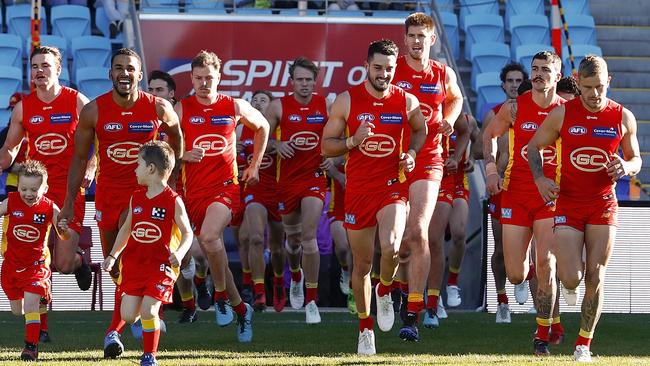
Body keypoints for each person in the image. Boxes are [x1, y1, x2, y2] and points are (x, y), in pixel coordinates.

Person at [61, 48, 183, 359]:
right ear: (110, 73)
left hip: (145, 199)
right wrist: (69, 203)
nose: (124, 74)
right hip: (107, 198)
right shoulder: (93, 111)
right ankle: (136, 314)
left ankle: (124, 327)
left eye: (130, 68)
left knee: (139, 259)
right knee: (115, 267)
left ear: (140, 75)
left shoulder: (159, 108)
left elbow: (176, 136)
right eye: (119, 68)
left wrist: (172, 176)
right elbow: (78, 158)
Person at [527, 55, 641, 362]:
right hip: (568, 203)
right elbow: (533, 147)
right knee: (572, 277)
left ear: (609, 82)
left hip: (603, 203)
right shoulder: (562, 114)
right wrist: (540, 179)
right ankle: (570, 283)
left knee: (596, 274)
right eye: (588, 87)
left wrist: (626, 167)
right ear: (577, 84)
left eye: (600, 87)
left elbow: (636, 159)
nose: (594, 94)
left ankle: (583, 345)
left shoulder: (622, 116)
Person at [321, 39, 427, 355]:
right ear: (366, 66)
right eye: (378, 67)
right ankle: (365, 329)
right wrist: (353, 140)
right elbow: (327, 146)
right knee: (362, 264)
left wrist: (410, 152)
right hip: (357, 192)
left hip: (392, 186)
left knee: (394, 245)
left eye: (389, 69)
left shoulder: (406, 101)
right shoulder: (346, 101)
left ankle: (385, 289)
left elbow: (420, 130)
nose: (384, 74)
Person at [175, 50, 269, 342]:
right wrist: (181, 155)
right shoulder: (181, 109)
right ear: (191, 78)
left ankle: (219, 296)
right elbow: (160, 147)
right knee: (213, 254)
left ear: (219, 77)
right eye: (199, 78)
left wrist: (253, 165)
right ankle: (242, 310)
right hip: (193, 194)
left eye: (210, 78)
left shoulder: (233, 106)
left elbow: (263, 126)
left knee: (210, 238)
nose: (205, 83)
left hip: (226, 188)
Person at [482, 51, 566, 356]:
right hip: (515, 194)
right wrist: (491, 170)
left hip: (549, 198)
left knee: (547, 263)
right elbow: (489, 136)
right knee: (516, 272)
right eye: (535, 69)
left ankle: (542, 333)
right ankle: (534, 285)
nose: (539, 74)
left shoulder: (566, 111)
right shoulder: (515, 107)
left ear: (558, 76)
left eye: (546, 69)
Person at [391, 12, 462, 340]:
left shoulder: (442, 72)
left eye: (423, 36)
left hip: (430, 160)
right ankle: (398, 291)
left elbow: (457, 98)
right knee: (396, 241)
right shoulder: (393, 71)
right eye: (412, 36)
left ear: (432, 40)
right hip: (394, 161)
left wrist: (449, 117)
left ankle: (413, 312)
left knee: (419, 232)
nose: (417, 41)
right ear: (404, 39)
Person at [0, 46, 94, 291]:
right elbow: (9, 148)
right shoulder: (23, 107)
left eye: (46, 65)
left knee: (63, 264)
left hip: (70, 192)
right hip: (35, 193)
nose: (39, 70)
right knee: (29, 258)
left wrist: (92, 167)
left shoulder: (76, 101)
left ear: (59, 69)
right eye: (35, 66)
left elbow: (100, 138)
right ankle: (37, 320)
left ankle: (79, 262)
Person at [102, 141, 193, 366]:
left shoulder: (173, 200)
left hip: (161, 267)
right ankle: (128, 330)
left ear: (151, 168)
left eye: (138, 164)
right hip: (135, 265)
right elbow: (126, 229)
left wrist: (179, 254)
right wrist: (113, 255)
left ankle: (149, 356)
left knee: (149, 310)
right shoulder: (137, 197)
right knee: (128, 315)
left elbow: (187, 232)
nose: (134, 169)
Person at [264, 57, 330, 323]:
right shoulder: (278, 106)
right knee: (292, 243)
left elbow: (339, 137)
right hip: (287, 181)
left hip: (314, 178)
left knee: (309, 238)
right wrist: (276, 145)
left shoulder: (326, 104)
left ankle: (312, 301)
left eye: (308, 80)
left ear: (315, 81)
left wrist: (334, 158)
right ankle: (296, 275)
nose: (304, 84)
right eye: (300, 79)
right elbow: (261, 138)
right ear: (292, 81)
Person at [0, 160, 72, 361]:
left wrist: (64, 229)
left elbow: (63, 236)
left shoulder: (50, 207)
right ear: (18, 187)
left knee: (31, 308)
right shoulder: (11, 201)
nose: (28, 193)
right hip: (11, 266)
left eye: (34, 189)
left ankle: (31, 348)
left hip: (36, 266)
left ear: (45, 188)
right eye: (24, 188)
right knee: (18, 310)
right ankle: (42, 298)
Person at [147, 70, 203, 324]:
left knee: (182, 255)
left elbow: (198, 150)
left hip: (184, 192)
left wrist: (185, 156)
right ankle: (159, 310)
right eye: (151, 89)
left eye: (159, 90)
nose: (154, 94)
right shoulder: (145, 119)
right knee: (155, 250)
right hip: (152, 195)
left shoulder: (183, 118)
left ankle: (192, 296)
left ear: (171, 94)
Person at [474, 62, 529, 323]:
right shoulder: (494, 114)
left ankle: (525, 277)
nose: (515, 85)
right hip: (501, 188)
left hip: (528, 186)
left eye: (519, 81)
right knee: (501, 248)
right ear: (503, 85)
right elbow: (479, 149)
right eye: (510, 81)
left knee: (533, 245)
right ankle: (502, 300)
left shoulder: (538, 113)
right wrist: (492, 168)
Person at [422, 113, 475, 328]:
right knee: (430, 240)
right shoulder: (428, 114)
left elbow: (478, 141)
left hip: (458, 181)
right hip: (434, 180)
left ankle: (452, 283)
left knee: (460, 232)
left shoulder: (466, 121)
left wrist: (470, 159)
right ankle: (432, 296)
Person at [238, 90, 286, 312]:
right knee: (255, 239)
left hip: (278, 192)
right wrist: (235, 150)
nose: (258, 104)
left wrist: (278, 145)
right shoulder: (243, 130)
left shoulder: (279, 129)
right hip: (254, 191)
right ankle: (258, 292)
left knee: (277, 248)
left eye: (263, 101)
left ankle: (278, 282)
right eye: (254, 101)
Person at [323, 155, 354, 312]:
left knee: (356, 250)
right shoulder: (335, 137)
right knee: (343, 248)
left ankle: (355, 292)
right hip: (339, 204)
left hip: (359, 202)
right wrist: (339, 175)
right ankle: (345, 269)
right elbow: (325, 162)